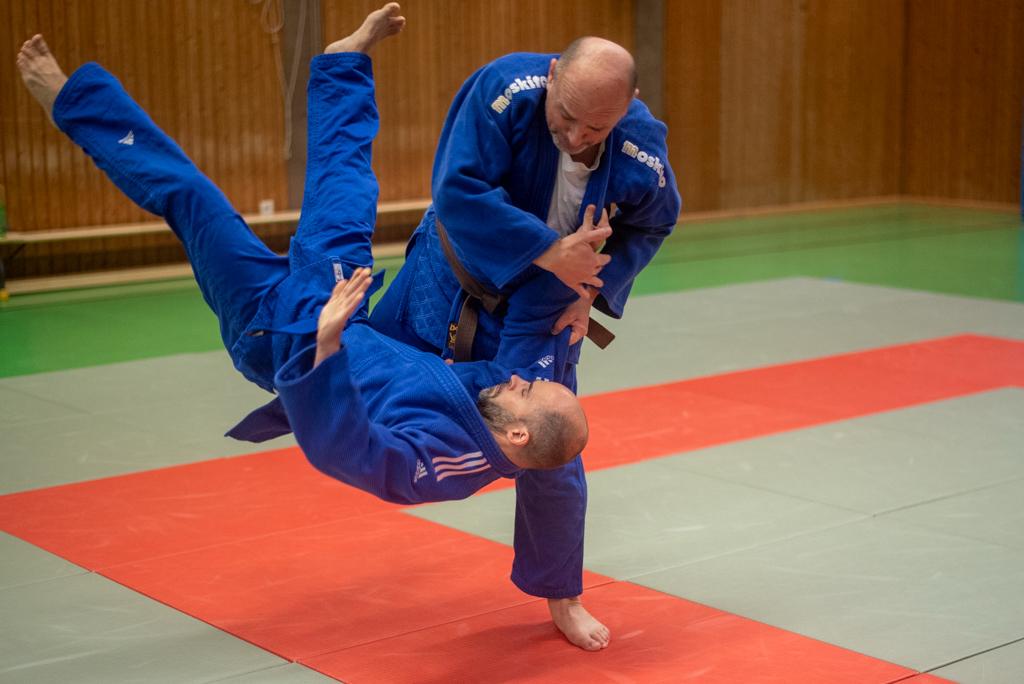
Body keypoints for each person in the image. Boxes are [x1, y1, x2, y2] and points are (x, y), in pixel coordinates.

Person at [13, 11, 592, 508]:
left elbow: (341, 448)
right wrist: (579, 284)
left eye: (524, 390)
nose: (518, 378)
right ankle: (344, 64)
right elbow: (533, 330)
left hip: (278, 332)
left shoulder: (437, 468)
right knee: (348, 189)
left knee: (191, 198)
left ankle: (71, 101)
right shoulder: (508, 391)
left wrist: (325, 346)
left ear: (517, 434)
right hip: (340, 303)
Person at [369, 37, 682, 649]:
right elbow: (458, 190)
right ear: (554, 75)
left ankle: (562, 593)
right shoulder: (505, 90)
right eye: (566, 115)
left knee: (550, 440)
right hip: (451, 272)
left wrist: (592, 288)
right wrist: (547, 249)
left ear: (628, 107)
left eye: (597, 126)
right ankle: (300, 404)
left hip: (546, 305)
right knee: (361, 362)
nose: (576, 135)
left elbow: (656, 219)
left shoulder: (639, 146)